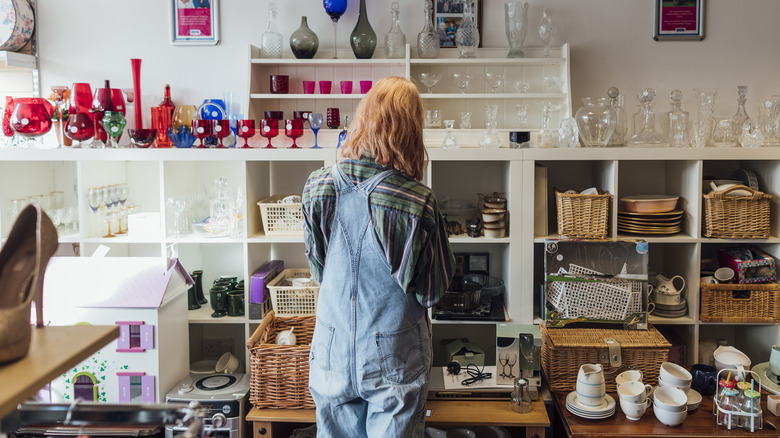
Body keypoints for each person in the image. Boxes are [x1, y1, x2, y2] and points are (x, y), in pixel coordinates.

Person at [303, 76, 455, 438]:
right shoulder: (418, 201)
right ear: (411, 131)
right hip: (394, 353)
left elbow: (319, 270)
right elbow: (432, 293)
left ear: (364, 118)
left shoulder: (316, 186)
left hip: (331, 349)